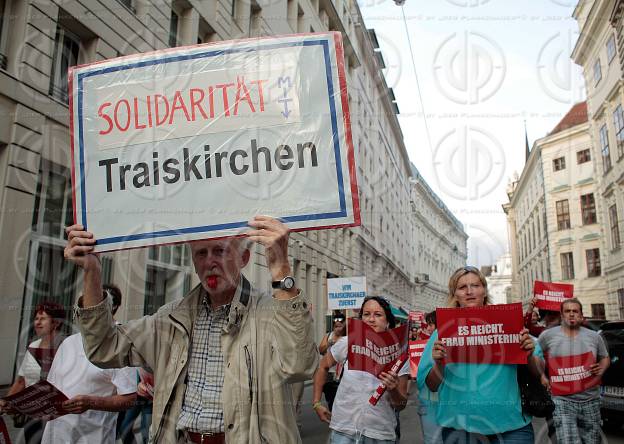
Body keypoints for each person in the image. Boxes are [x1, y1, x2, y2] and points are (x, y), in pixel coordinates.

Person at [63, 215, 318, 444]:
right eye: (201, 253)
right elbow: (104, 348)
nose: (210, 262)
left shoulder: (271, 313)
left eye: (220, 251)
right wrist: (92, 273)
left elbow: (301, 364)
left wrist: (281, 269)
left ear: (244, 258)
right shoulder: (171, 318)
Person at [417, 266, 541, 443]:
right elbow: (432, 385)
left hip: (511, 427)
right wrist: (439, 364)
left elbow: (539, 371)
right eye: (462, 287)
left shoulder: (509, 323)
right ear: (455, 295)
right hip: (461, 429)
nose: (469, 291)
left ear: (484, 290)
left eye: (475, 285)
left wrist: (528, 355)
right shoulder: (442, 333)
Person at [312, 296, 409, 443]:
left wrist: (393, 389)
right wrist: (316, 403)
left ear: (388, 321)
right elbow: (322, 366)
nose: (371, 319)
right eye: (366, 314)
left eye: (378, 314)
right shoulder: (348, 342)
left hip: (379, 433)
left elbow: (401, 405)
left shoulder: (399, 353)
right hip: (344, 430)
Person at [537, 298, 610, 444]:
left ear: (581, 315)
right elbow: (535, 355)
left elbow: (605, 358)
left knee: (592, 441)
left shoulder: (594, 337)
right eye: (567, 311)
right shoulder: (547, 336)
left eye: (575, 311)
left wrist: (602, 368)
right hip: (562, 400)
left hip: (591, 400)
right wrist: (542, 376)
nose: (571, 314)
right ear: (561, 315)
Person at [0, 301, 66, 443]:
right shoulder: (33, 346)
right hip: (32, 416)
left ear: (56, 323)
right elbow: (21, 381)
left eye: (43, 318)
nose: (37, 322)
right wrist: (5, 403)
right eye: (36, 318)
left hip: (57, 417)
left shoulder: (66, 347)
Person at [416, 311, 441, 444]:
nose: (429, 328)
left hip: (433, 403)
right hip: (431, 402)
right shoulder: (430, 341)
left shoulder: (438, 336)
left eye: (432, 324)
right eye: (428, 325)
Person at [318, 313, 347, 411]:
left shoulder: (348, 337)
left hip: (343, 373)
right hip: (330, 373)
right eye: (336, 326)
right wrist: (329, 343)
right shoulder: (328, 335)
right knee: (331, 398)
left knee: (343, 399)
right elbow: (321, 350)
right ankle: (333, 414)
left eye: (340, 325)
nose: (337, 327)